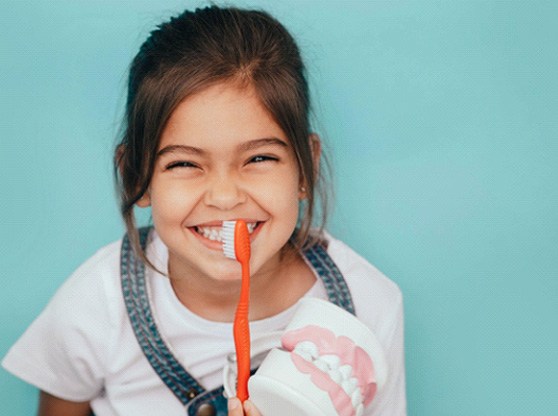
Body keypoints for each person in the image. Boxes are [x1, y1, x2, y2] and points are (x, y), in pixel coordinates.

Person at [2, 5, 406, 416]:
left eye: (259, 158)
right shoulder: (97, 304)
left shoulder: (368, 305)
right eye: (184, 164)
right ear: (136, 176)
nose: (225, 197)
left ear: (305, 168)